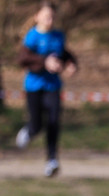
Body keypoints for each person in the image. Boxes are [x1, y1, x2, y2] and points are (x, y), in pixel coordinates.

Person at [15, 1, 78, 178]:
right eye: (46, 16)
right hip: (34, 87)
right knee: (37, 125)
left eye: (52, 17)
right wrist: (45, 62)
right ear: (37, 17)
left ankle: (52, 160)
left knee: (53, 122)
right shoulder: (32, 37)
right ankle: (29, 130)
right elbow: (23, 59)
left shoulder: (58, 36)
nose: (49, 20)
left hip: (53, 87)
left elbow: (64, 54)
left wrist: (71, 64)